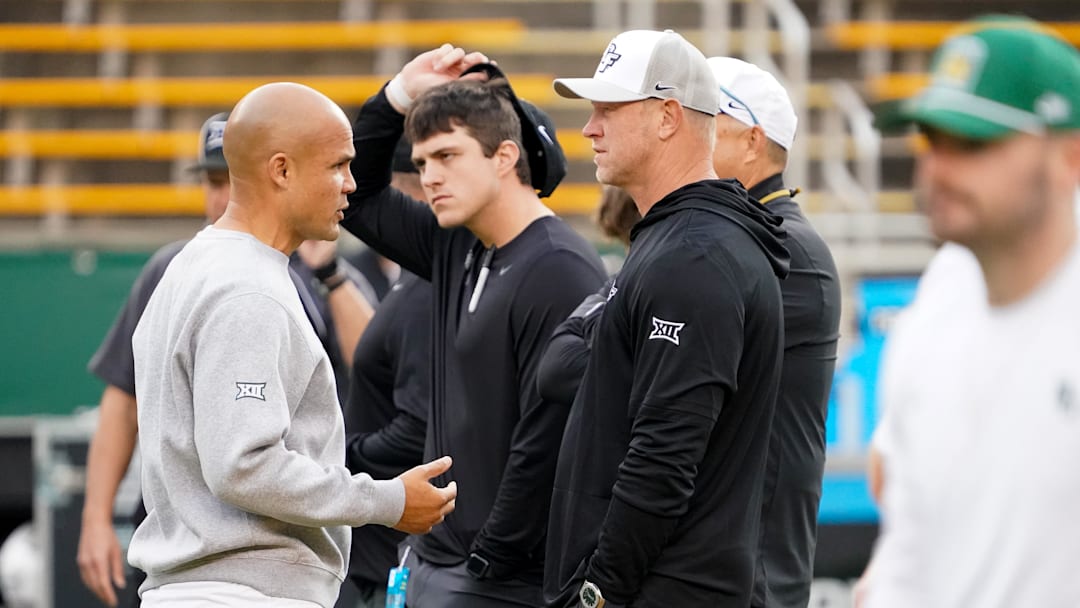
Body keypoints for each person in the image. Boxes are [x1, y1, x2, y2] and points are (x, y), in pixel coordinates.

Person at [128, 82, 457, 608]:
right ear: (281, 170)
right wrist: (386, 499)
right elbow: (244, 466)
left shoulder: (198, 264)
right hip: (242, 594)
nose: (351, 184)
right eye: (338, 166)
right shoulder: (246, 289)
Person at [342, 46, 607, 607]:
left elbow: (550, 441)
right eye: (421, 165)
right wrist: (398, 96)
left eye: (447, 156)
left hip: (502, 581)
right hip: (438, 562)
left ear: (505, 156)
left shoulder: (559, 267)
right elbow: (356, 194)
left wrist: (490, 559)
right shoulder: (455, 243)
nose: (430, 177)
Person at [76, 112, 375, 607]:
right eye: (215, 181)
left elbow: (376, 364)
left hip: (283, 546)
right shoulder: (188, 271)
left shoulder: (310, 267)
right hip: (228, 565)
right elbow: (124, 401)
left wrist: (332, 275)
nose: (221, 195)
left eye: (229, 178)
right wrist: (94, 517)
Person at [545, 29, 790, 608]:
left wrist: (597, 593)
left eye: (609, 108)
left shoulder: (695, 255)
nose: (589, 128)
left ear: (667, 117)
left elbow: (663, 458)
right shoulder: (682, 239)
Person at [859, 15, 1080, 608]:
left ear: (1070, 159)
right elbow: (908, 548)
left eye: (975, 143)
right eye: (933, 141)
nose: (939, 170)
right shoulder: (934, 313)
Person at [706, 56, 842, 608]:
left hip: (754, 572)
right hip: (725, 561)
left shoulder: (787, 251)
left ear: (752, 141)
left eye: (706, 123)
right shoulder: (745, 235)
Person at [340, 139, 432, 608]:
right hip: (383, 542)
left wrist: (335, 457)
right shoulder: (425, 275)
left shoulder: (427, 278)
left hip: (394, 546)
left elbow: (416, 427)